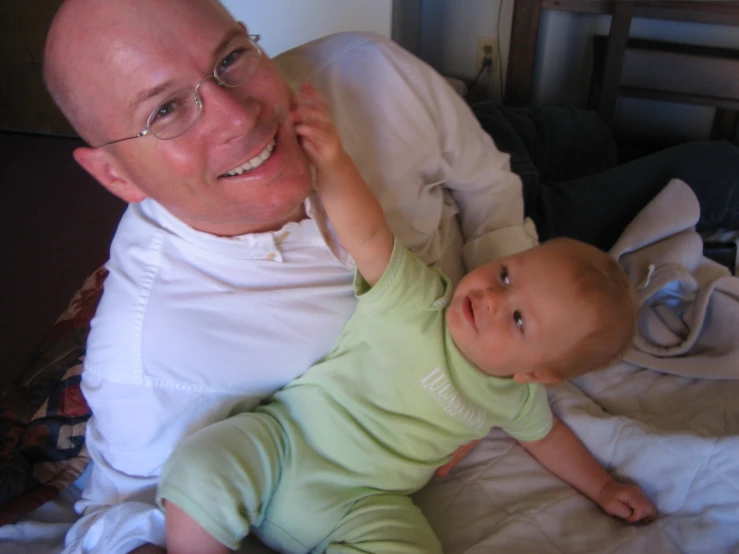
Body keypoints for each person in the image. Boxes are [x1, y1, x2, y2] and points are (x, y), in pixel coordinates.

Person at [40, 0, 738, 553]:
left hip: (500, 222)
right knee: (714, 172)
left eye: (229, 60)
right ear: (112, 173)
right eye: (165, 110)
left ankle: (561, 129)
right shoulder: (151, 353)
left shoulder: (366, 67)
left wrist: (517, 283)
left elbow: (489, 188)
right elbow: (116, 512)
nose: (239, 117)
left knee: (578, 131)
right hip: (496, 253)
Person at [158, 82, 656, 554]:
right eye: (505, 276)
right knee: (203, 465)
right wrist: (332, 162)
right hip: (284, 444)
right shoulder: (420, 301)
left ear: (536, 373)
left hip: (363, 502)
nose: (490, 298)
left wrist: (604, 486)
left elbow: (549, 439)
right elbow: (369, 234)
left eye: (519, 320)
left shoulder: (516, 396)